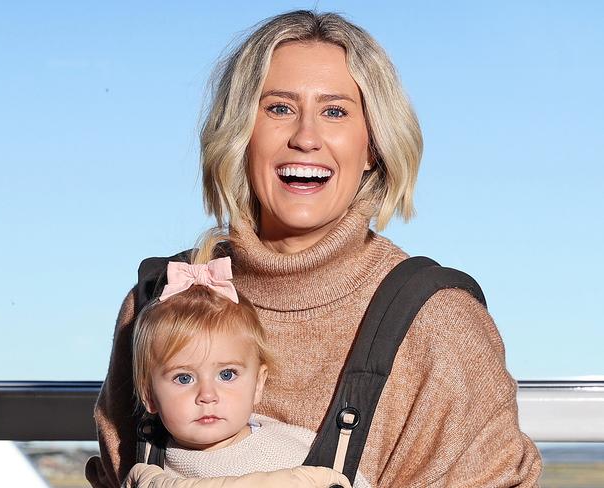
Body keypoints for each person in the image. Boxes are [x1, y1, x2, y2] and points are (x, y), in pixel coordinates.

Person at [87, 10, 543, 487]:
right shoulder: (159, 299)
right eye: (279, 108)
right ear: (241, 135)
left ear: (373, 146)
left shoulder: (438, 323)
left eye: (335, 111)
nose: (306, 138)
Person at [121, 255, 366, 488]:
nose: (207, 395)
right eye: (184, 378)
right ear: (149, 395)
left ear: (258, 384)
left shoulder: (289, 453)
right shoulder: (149, 460)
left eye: (227, 375)